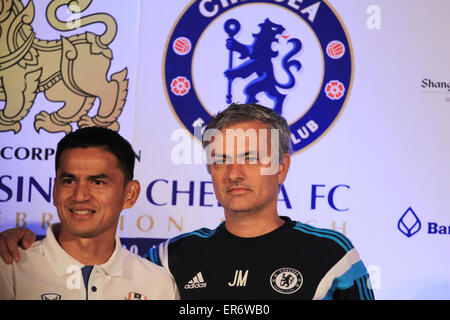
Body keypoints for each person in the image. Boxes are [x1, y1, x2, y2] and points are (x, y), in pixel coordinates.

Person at [0, 103, 374, 300]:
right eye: (222, 159)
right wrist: (26, 240)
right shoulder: (170, 258)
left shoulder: (330, 255)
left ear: (281, 167)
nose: (234, 172)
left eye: (250, 157)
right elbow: (93, 265)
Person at [0, 127, 178, 300]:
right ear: (54, 190)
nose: (79, 195)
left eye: (97, 182)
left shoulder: (157, 285)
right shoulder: (10, 269)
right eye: (69, 181)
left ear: (129, 194)